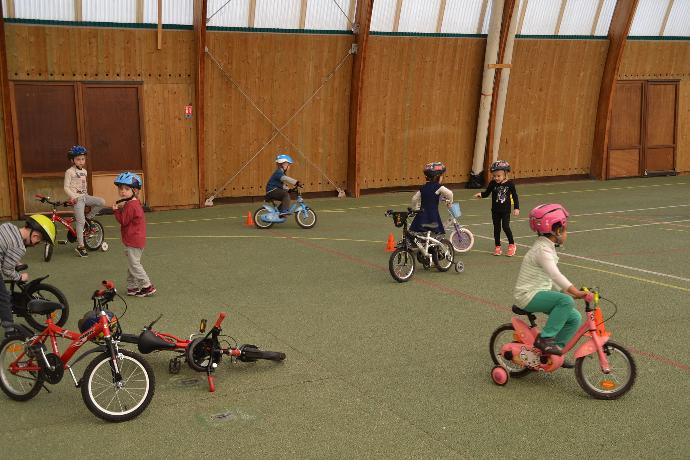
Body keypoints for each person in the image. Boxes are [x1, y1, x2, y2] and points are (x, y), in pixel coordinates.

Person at [513, 204, 592, 355]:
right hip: (527, 295)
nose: (566, 233)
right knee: (566, 301)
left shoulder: (546, 246)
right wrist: (574, 292)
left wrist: (572, 293)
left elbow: (553, 278)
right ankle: (545, 339)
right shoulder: (542, 250)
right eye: (565, 229)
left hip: (538, 293)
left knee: (574, 317)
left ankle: (555, 352)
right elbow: (556, 275)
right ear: (557, 231)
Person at [0, 215, 56, 338]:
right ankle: (10, 330)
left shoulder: (9, 226)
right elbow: (7, 270)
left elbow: (4, 247)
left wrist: (14, 261)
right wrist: (20, 277)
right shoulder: (19, 247)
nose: (36, 244)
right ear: (35, 236)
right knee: (3, 297)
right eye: (39, 241)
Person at [112, 172, 156, 297]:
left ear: (135, 190)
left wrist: (116, 211)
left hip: (133, 240)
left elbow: (123, 221)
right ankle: (132, 287)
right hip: (135, 239)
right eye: (121, 189)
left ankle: (147, 286)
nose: (122, 192)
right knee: (133, 264)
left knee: (134, 265)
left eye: (126, 189)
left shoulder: (131, 205)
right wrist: (121, 209)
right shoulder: (133, 203)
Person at [64, 145, 105, 257]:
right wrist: (74, 197)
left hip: (85, 196)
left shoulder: (85, 171)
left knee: (101, 202)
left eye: (83, 159)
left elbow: (83, 185)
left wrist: (85, 196)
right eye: (78, 159)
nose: (81, 161)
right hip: (77, 199)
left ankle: (89, 217)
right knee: (80, 222)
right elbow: (66, 187)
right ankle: (81, 246)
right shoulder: (70, 172)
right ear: (72, 160)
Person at [474, 160, 520, 256]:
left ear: (505, 174)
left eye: (498, 176)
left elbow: (515, 196)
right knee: (497, 228)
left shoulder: (510, 184)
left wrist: (516, 208)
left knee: (505, 226)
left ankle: (512, 245)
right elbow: (487, 193)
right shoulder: (493, 183)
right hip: (495, 211)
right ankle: (497, 246)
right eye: (494, 176)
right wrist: (481, 195)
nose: (496, 178)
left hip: (505, 211)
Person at [410, 162, 453, 234]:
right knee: (436, 232)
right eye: (441, 176)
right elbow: (450, 194)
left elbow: (414, 199)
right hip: (432, 215)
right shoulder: (439, 187)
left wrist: (415, 209)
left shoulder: (423, 188)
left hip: (421, 215)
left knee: (420, 231)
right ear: (437, 177)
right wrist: (449, 203)